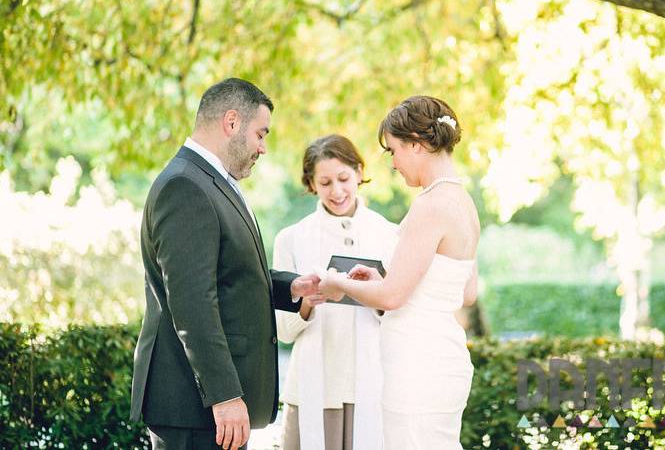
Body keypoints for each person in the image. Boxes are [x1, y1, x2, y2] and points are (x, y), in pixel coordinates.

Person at [130, 78, 322, 450]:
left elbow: (223, 274)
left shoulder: (210, 181)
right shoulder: (185, 187)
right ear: (231, 122)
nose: (263, 148)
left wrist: (289, 287)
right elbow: (192, 303)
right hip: (195, 405)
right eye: (260, 134)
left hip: (205, 408)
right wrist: (224, 395)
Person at [319, 96, 479, 449]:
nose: (393, 163)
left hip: (418, 368)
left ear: (417, 145)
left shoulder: (430, 205)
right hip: (444, 359)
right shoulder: (464, 203)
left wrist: (337, 282)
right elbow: (465, 293)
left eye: (393, 151)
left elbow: (393, 297)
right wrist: (381, 282)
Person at [274, 134, 397, 450]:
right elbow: (284, 332)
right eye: (325, 182)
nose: (337, 191)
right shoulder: (291, 239)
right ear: (311, 184)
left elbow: (400, 314)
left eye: (344, 178)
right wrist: (306, 303)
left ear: (359, 172)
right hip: (313, 389)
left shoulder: (389, 235)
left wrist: (376, 295)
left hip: (371, 388)